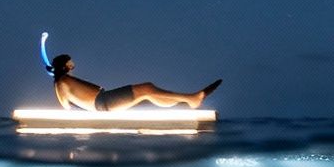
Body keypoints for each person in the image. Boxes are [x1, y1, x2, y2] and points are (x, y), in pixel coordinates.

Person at [48, 53, 222, 112]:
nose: (73, 63)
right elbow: (66, 106)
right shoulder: (62, 82)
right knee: (146, 88)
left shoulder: (63, 80)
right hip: (103, 102)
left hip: (104, 100)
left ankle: (187, 101)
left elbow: (67, 103)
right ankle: (191, 99)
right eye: (70, 62)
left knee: (148, 92)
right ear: (64, 65)